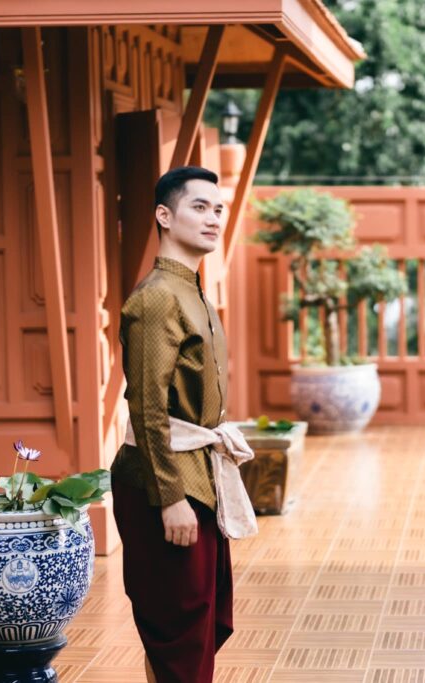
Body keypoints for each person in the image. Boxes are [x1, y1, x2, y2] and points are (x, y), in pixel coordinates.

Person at [110, 166, 235, 683]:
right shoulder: (158, 297)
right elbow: (147, 407)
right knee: (177, 629)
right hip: (163, 484)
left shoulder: (193, 292)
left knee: (197, 624)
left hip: (199, 476)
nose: (213, 218)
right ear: (164, 216)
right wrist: (170, 498)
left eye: (218, 209)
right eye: (199, 207)